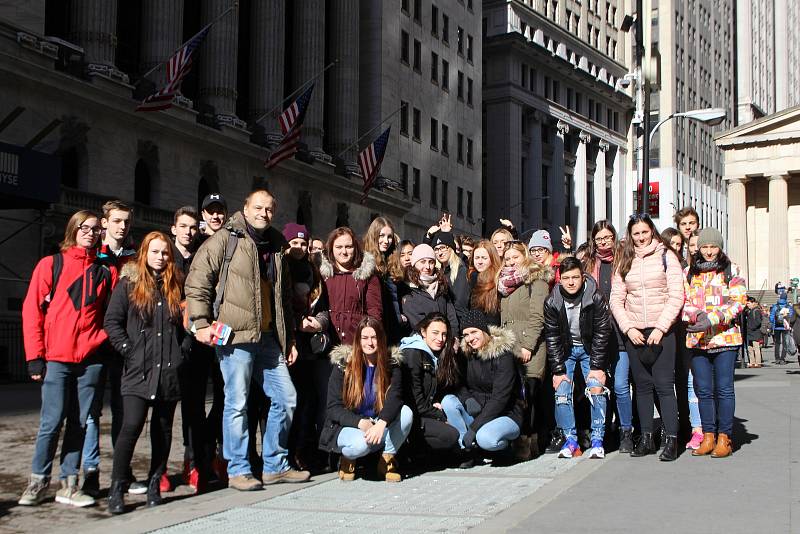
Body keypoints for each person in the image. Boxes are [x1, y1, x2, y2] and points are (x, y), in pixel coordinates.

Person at [185, 189, 310, 490]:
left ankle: (275, 464)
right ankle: (238, 469)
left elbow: (282, 298)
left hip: (268, 337)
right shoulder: (225, 239)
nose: (263, 213)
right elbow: (198, 280)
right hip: (235, 337)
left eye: (269, 209)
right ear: (245, 207)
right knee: (237, 402)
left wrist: (289, 338)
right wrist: (200, 323)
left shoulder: (278, 243)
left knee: (286, 398)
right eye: (258, 207)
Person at [19, 210, 116, 507]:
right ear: (73, 230)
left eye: (96, 229)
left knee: (81, 423)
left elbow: (112, 314)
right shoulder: (51, 264)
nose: (90, 232)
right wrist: (35, 356)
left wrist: (101, 343)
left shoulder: (106, 272)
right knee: (51, 422)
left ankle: (69, 483)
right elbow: (31, 311)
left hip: (90, 360)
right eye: (84, 227)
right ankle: (38, 481)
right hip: (57, 358)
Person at [103, 232, 187, 513]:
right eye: (155, 252)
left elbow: (189, 323)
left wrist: (182, 353)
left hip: (168, 372)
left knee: (162, 431)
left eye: (165, 253)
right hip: (137, 371)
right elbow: (112, 322)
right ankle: (118, 488)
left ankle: (154, 483)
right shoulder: (129, 284)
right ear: (144, 254)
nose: (160, 257)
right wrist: (129, 350)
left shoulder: (177, 286)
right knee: (131, 427)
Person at [610, 213, 685, 461]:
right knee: (641, 387)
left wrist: (661, 327)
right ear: (630, 236)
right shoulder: (624, 260)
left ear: (652, 231)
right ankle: (646, 438)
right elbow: (616, 299)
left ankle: (672, 439)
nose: (641, 237)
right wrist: (629, 328)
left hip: (662, 331)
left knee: (664, 385)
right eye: (636, 234)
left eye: (644, 232)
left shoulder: (666, 256)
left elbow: (676, 296)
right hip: (635, 332)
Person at [82, 200, 140, 498]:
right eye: (117, 221)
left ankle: (123, 471)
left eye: (126, 221)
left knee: (123, 411)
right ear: (104, 223)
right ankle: (90, 473)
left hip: (122, 347)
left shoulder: (134, 260)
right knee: (90, 412)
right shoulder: (91, 257)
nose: (122, 226)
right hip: (92, 344)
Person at [319, 318, 412, 482]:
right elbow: (333, 408)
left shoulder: (392, 365)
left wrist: (382, 423)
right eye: (365, 338)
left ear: (381, 339)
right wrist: (360, 423)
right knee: (360, 446)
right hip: (348, 426)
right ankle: (348, 459)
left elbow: (395, 397)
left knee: (406, 413)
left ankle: (386, 460)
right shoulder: (343, 365)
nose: (370, 342)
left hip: (377, 424)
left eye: (374, 337)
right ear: (358, 340)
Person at [683, 228, 747, 458]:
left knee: (724, 389)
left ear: (720, 247)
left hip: (724, 338)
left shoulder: (731, 270)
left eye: (713, 247)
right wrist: (692, 316)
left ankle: (725, 437)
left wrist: (711, 318)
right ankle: (708, 435)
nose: (709, 252)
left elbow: (738, 302)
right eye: (705, 247)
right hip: (698, 340)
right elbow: (684, 299)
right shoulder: (690, 272)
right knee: (703, 390)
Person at [544, 257, 611, 459]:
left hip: (590, 348)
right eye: (566, 278)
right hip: (567, 350)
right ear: (559, 279)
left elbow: (602, 331)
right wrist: (557, 370)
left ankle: (598, 440)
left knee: (595, 386)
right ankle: (570, 440)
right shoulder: (552, 301)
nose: (571, 282)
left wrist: (598, 366)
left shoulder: (595, 296)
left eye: (575, 277)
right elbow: (552, 336)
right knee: (562, 390)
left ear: (582, 277)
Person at [440, 310, 522, 467]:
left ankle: (503, 448)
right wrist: (467, 399)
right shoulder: (468, 354)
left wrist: (474, 429)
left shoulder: (503, 356)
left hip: (506, 413)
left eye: (473, 332)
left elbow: (500, 398)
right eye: (466, 335)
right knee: (448, 401)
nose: (470, 338)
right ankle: (468, 450)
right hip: (478, 411)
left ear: (484, 330)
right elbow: (459, 383)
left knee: (485, 438)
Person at [283, 223, 332, 472]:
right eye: (294, 243)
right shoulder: (279, 269)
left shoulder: (314, 273)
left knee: (309, 401)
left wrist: (319, 323)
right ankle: (286, 453)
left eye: (303, 243)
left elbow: (324, 308)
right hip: (286, 346)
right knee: (288, 402)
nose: (299, 248)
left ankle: (303, 451)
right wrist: (296, 323)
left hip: (310, 348)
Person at [582, 221, 634, 453]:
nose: (603, 242)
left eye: (607, 237)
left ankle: (626, 431)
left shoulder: (624, 260)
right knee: (601, 385)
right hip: (597, 333)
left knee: (621, 385)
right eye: (599, 238)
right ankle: (603, 431)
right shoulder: (590, 263)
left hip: (620, 331)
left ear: (614, 238)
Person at [498, 241, 551, 460]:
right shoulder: (504, 284)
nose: (511, 261)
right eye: (507, 258)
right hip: (509, 347)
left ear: (525, 257)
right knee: (515, 397)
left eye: (515, 257)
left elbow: (538, 316)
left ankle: (530, 441)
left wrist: (528, 345)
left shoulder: (536, 279)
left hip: (531, 347)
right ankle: (521, 439)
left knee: (529, 396)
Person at [398, 313, 461, 459]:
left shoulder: (434, 355)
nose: (440, 339)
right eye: (435, 333)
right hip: (409, 417)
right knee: (451, 435)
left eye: (444, 334)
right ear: (423, 332)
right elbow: (415, 401)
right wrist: (440, 415)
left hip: (423, 413)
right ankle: (410, 450)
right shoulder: (413, 354)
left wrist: (435, 403)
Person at [320, 227, 383, 345]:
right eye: (339, 247)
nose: (344, 252)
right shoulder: (322, 275)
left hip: (356, 341)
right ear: (331, 248)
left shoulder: (367, 275)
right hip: (327, 341)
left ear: (355, 248)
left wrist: (369, 337)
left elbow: (374, 312)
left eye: (348, 247)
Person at [363, 217, 406, 343]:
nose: (386, 241)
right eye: (381, 236)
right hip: (374, 327)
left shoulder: (392, 262)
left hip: (393, 328)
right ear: (374, 236)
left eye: (389, 237)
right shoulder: (366, 262)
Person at [400, 244, 460, 331]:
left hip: (447, 338)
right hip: (423, 340)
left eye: (431, 262)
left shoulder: (441, 285)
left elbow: (451, 315)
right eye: (423, 262)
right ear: (414, 263)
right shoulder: (409, 289)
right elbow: (417, 322)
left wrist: (454, 336)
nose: (427, 267)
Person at [428, 230, 470, 326]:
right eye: (436, 249)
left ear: (451, 248)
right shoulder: (438, 271)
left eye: (443, 248)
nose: (440, 252)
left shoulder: (461, 270)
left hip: (458, 324)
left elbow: (460, 305)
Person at [468, 239, 502, 326]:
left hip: (491, 331)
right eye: (477, 258)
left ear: (492, 259)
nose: (479, 262)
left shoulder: (497, 279)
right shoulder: (471, 277)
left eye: (484, 258)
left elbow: (494, 314)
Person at [770, 290, 795, 365]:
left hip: (777, 327)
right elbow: (791, 316)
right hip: (785, 327)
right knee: (785, 343)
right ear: (786, 298)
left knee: (777, 343)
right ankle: (782, 359)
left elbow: (771, 317)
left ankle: (777, 358)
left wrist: (772, 323)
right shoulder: (789, 307)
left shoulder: (775, 306)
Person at [744, 297, 763, 368]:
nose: (747, 305)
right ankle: (752, 362)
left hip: (755, 332)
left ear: (753, 303)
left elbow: (758, 322)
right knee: (750, 348)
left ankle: (758, 362)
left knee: (756, 347)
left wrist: (751, 327)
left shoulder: (756, 310)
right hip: (750, 332)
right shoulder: (750, 310)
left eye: (748, 303)